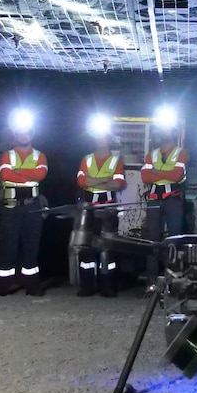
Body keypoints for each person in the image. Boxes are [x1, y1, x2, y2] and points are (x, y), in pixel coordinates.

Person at [0, 114, 49, 296]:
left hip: (32, 206)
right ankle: (2, 285)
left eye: (26, 133)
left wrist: (18, 171)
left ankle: (31, 285)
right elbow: (6, 175)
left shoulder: (40, 155)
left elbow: (40, 175)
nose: (23, 136)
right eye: (19, 133)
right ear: (15, 135)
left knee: (31, 245)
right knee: (8, 244)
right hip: (11, 205)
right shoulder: (7, 155)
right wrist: (28, 173)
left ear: (31, 134)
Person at [75, 122, 127, 297]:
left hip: (108, 207)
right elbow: (82, 182)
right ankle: (87, 285)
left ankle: (107, 284)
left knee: (108, 247)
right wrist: (106, 179)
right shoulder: (86, 159)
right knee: (86, 246)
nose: (101, 140)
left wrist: (94, 180)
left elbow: (119, 183)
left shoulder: (116, 161)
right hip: (88, 208)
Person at [141, 122, 188, 278]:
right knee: (152, 242)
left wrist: (155, 170)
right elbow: (145, 177)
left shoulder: (181, 153)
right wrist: (165, 173)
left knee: (174, 240)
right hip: (154, 200)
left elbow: (177, 176)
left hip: (173, 200)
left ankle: (174, 282)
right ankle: (152, 283)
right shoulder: (152, 154)